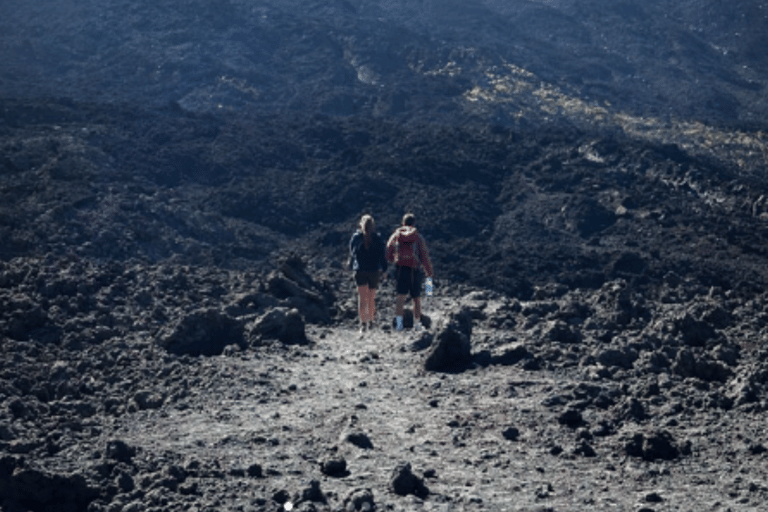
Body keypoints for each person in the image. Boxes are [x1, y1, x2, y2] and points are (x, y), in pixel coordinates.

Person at [386, 213, 434, 331]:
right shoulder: (417, 237)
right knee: (416, 298)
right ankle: (417, 324)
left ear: (403, 223)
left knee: (400, 297)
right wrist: (429, 272)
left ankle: (399, 324)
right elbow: (424, 256)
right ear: (414, 223)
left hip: (401, 269)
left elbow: (388, 250)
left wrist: (394, 260)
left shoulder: (396, 235)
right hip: (415, 270)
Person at [349, 214, 388, 334]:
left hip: (360, 270)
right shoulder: (377, 238)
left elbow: (352, 253)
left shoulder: (356, 238)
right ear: (373, 226)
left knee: (362, 298)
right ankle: (371, 322)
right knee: (371, 298)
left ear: (360, 225)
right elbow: (382, 256)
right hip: (373, 271)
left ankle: (362, 324)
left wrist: (351, 266)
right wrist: (385, 270)